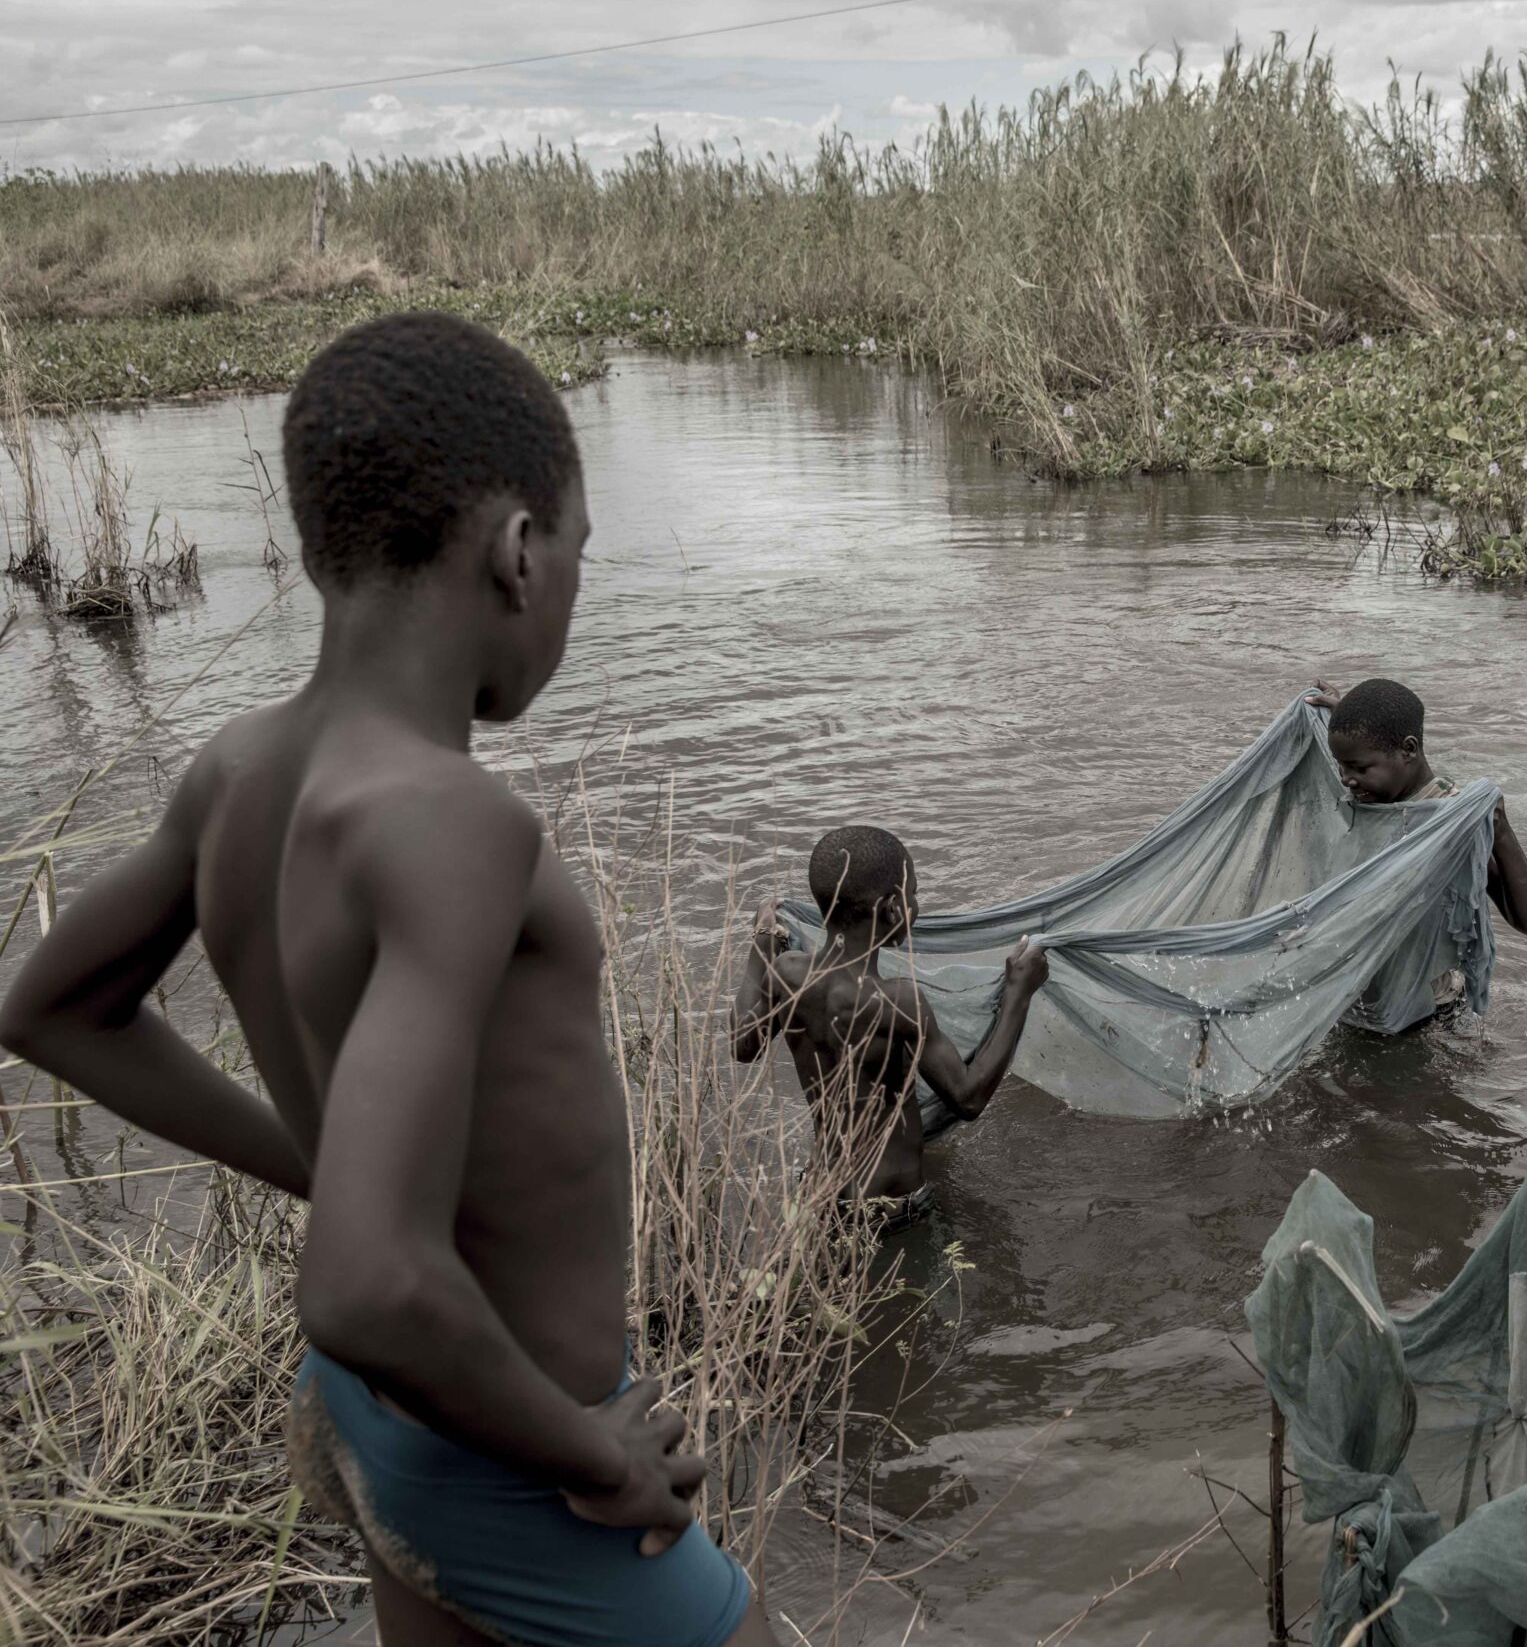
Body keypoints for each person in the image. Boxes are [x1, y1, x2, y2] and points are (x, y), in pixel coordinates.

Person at [0, 313, 774, 1646]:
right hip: (520, 1449)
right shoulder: (447, 819)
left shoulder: (238, 774)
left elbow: (49, 1006)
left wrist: (325, 1166)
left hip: (384, 1421)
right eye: (579, 555)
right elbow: (363, 1282)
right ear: (522, 552)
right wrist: (599, 1460)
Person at [732, 825, 1048, 1235]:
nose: (916, 905)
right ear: (891, 907)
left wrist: (761, 940)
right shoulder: (898, 1001)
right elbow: (968, 1098)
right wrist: (1019, 994)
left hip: (820, 1196)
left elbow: (744, 1045)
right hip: (893, 1210)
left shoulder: (788, 974)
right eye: (913, 894)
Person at [1309, 678, 1527, 937]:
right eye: (1341, 765)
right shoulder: (1370, 796)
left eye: (1359, 768)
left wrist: (1501, 833)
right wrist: (1347, 721)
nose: (1346, 779)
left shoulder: (1449, 822)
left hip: (1427, 973)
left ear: (1408, 750)